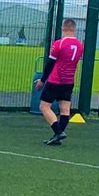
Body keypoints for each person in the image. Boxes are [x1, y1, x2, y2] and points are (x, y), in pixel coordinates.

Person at [35, 18, 84, 146]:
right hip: (69, 81)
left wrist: (42, 81)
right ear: (74, 29)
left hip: (56, 80)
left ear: (63, 28)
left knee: (44, 107)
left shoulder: (59, 44)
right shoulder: (80, 45)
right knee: (65, 109)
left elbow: (50, 64)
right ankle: (58, 135)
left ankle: (58, 132)